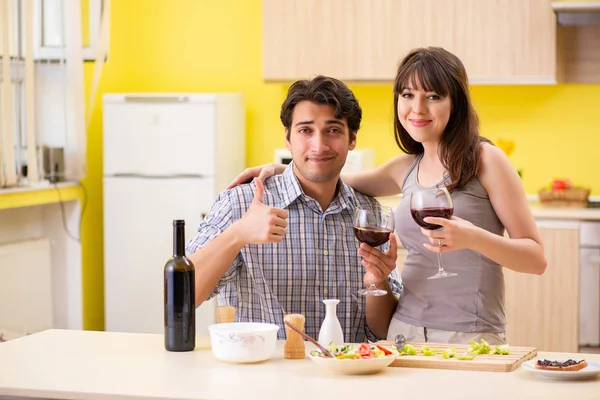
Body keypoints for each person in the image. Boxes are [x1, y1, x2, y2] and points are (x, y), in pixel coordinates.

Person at [227, 47, 548, 345]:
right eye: (408, 95)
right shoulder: (405, 168)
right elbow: (332, 178)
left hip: (470, 334)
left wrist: (473, 237)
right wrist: (282, 167)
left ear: (456, 102)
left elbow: (535, 259)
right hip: (403, 331)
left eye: (433, 95)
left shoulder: (485, 160)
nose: (417, 108)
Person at [186, 75, 402, 342]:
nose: (319, 146)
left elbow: (383, 332)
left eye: (333, 130)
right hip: (264, 377)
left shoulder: (369, 215)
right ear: (288, 138)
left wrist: (377, 283)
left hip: (347, 378)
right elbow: (179, 296)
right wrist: (238, 234)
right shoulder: (241, 204)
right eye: (305, 130)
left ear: (352, 139)